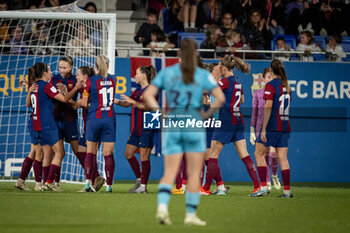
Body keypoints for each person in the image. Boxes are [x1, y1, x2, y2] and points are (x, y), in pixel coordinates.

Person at [144, 38, 225, 226]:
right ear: (195, 54)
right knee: (194, 172)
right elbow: (219, 98)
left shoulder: (169, 72)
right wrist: (206, 115)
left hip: (173, 123)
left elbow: (147, 95)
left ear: (179, 54)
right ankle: (190, 215)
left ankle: (162, 208)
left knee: (170, 171)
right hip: (194, 124)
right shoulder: (202, 75)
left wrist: (160, 114)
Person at [200, 56, 261, 196]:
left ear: (225, 68)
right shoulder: (238, 82)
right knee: (244, 155)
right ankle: (258, 186)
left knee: (213, 156)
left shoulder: (225, 82)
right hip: (238, 120)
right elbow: (243, 99)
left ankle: (206, 188)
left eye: (220, 67)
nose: (219, 69)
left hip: (226, 121)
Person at [29, 63, 82, 191]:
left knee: (44, 153)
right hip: (48, 124)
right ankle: (49, 182)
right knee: (60, 152)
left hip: (36, 124)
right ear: (44, 73)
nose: (51, 73)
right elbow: (64, 100)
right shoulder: (47, 86)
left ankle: (39, 184)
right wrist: (74, 89)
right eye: (48, 70)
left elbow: (28, 104)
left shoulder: (34, 86)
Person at [253, 59, 292, 198]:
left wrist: (263, 128)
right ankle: (287, 192)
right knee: (283, 158)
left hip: (273, 126)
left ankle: (263, 187)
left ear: (271, 70)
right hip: (285, 126)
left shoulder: (270, 85)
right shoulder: (287, 86)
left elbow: (268, 107)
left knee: (258, 154)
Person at [114, 65, 156, 193]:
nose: (135, 76)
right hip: (137, 128)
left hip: (148, 126)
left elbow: (149, 107)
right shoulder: (137, 90)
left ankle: (143, 187)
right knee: (128, 153)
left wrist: (132, 102)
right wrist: (113, 100)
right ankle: (139, 181)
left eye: (137, 74)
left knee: (144, 157)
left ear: (143, 75)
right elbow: (127, 103)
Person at [80, 55, 116, 193]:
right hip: (109, 119)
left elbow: (83, 103)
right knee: (108, 154)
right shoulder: (114, 79)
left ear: (96, 66)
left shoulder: (90, 81)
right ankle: (109, 186)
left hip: (94, 118)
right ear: (107, 65)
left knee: (90, 152)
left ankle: (88, 183)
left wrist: (94, 103)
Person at [73, 66, 105, 192]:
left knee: (89, 153)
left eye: (78, 74)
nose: (76, 76)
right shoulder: (83, 89)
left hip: (96, 126)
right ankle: (96, 177)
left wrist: (85, 104)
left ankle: (91, 183)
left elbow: (93, 105)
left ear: (85, 76)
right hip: (89, 127)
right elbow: (75, 106)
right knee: (81, 151)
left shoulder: (93, 88)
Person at [250, 68, 281, 191]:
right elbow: (254, 112)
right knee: (262, 155)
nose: (269, 79)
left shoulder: (276, 92)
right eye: (267, 77)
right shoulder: (257, 93)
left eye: (271, 77)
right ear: (263, 79)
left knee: (273, 154)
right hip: (259, 127)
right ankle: (267, 182)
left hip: (273, 126)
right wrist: (252, 131)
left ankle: (274, 176)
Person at [15, 66, 44, 191]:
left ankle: (21, 181)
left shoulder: (33, 87)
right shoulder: (41, 87)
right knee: (39, 153)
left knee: (33, 152)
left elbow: (27, 104)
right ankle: (38, 184)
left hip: (34, 121)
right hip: (37, 122)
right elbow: (28, 104)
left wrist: (29, 89)